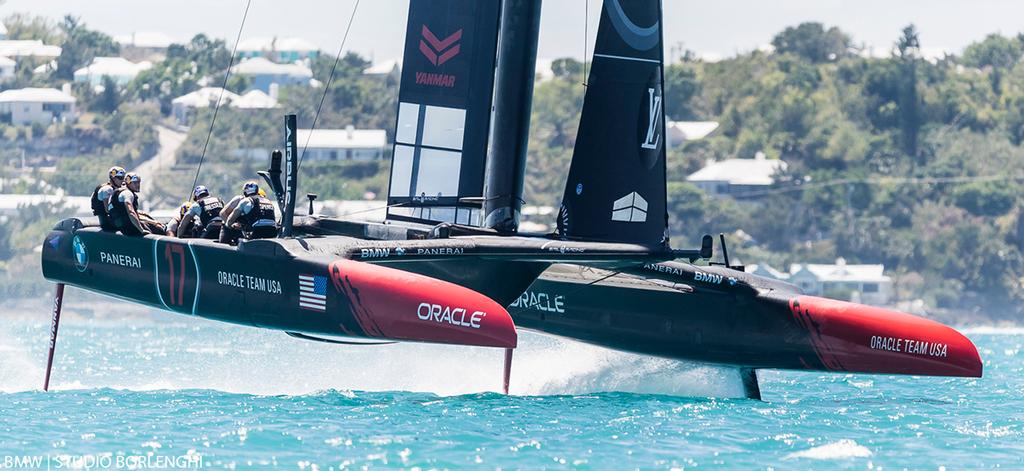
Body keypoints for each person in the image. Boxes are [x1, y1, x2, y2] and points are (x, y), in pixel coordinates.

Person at [91, 166, 125, 231]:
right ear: (113, 178)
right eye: (120, 178)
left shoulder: (114, 188)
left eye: (123, 178)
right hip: (106, 221)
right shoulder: (107, 189)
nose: (122, 180)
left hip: (112, 218)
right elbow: (107, 210)